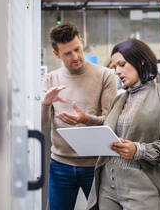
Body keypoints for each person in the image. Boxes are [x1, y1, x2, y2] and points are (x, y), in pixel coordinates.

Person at [83, 39, 160, 210]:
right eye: (114, 66)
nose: (117, 71)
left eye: (121, 64)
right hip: (107, 185)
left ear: (140, 61)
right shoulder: (119, 99)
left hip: (142, 186)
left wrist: (139, 151)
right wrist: (86, 121)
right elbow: (111, 128)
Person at [42, 22, 117, 210]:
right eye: (67, 53)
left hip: (96, 165)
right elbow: (42, 123)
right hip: (60, 165)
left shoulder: (105, 76)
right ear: (56, 54)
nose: (75, 57)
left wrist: (86, 119)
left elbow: (110, 121)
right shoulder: (51, 79)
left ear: (81, 42)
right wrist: (46, 103)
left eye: (77, 49)